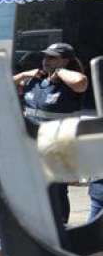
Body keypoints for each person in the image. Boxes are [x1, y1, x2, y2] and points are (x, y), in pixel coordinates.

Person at [14, 42, 88, 224]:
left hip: (57, 149)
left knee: (55, 193)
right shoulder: (36, 80)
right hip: (31, 147)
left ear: (66, 61)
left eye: (52, 57)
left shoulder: (69, 84)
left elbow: (81, 82)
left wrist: (60, 72)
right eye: (45, 56)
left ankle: (61, 229)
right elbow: (1, 84)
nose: (46, 60)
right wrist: (24, 74)